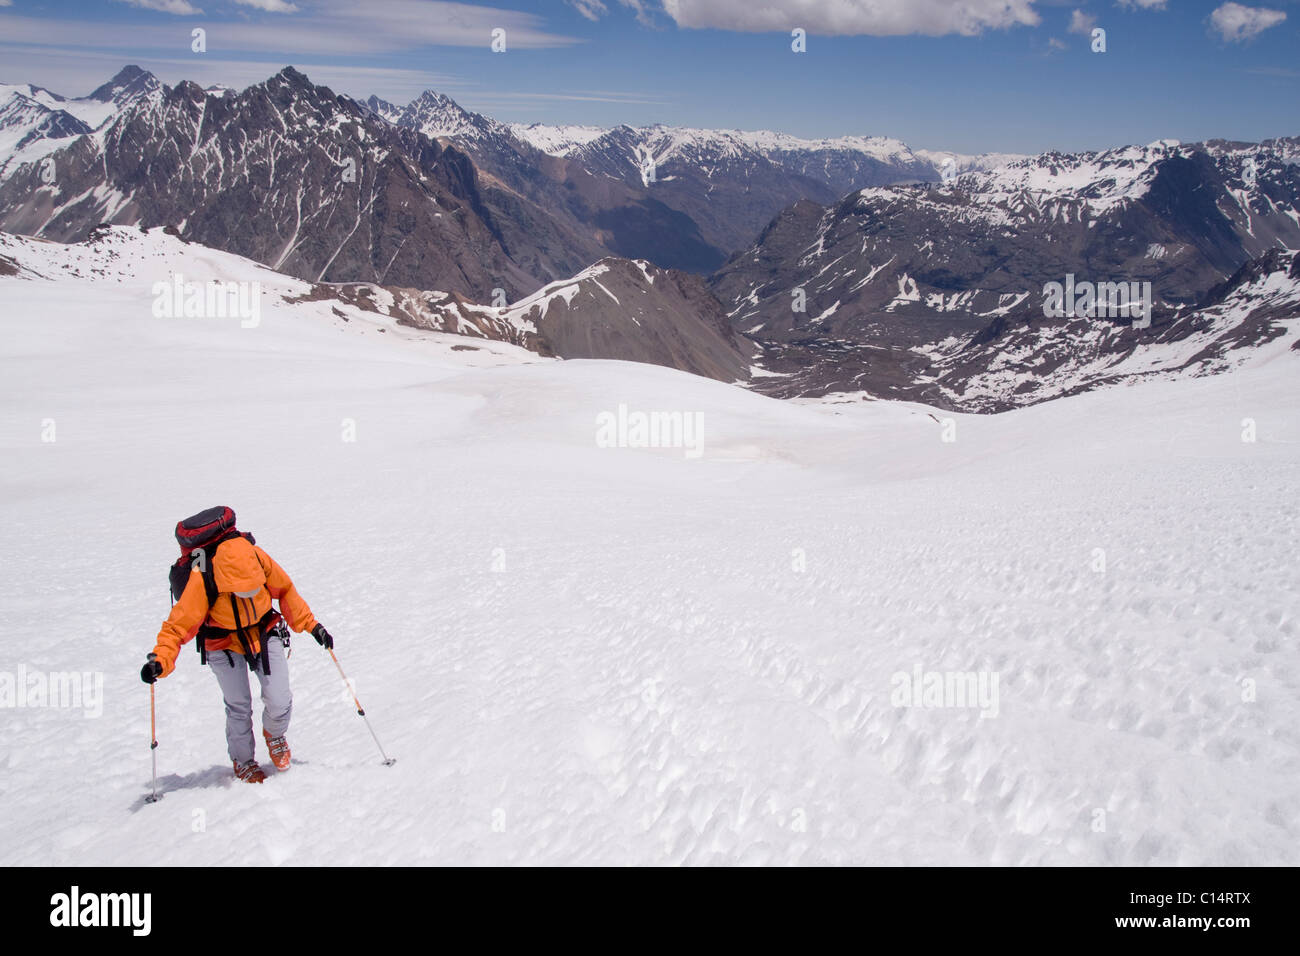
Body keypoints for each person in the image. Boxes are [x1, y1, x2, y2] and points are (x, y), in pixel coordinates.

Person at [140, 507, 334, 784]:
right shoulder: (204, 574)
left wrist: (313, 626)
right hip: (222, 642)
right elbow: (180, 623)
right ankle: (243, 761)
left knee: (280, 698)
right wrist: (160, 659)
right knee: (238, 705)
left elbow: (286, 590)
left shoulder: (256, 555)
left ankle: (275, 734)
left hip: (264, 632)